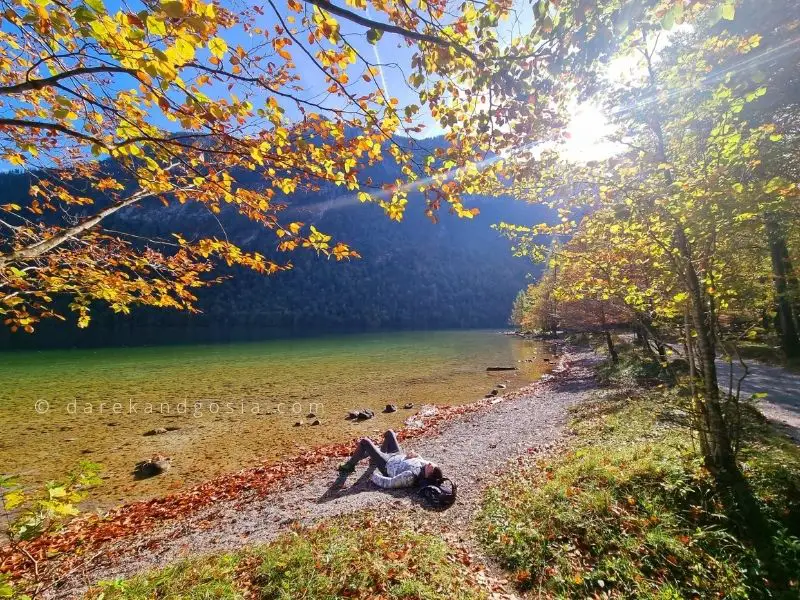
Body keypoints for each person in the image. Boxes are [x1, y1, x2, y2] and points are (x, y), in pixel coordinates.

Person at [338, 430, 444, 489]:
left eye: (432, 467)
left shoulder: (411, 476)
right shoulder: (424, 465)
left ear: (429, 474)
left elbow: (390, 483)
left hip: (387, 464)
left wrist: (373, 477)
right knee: (390, 433)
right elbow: (419, 458)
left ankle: (349, 466)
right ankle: (375, 457)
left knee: (365, 442)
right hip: (397, 455)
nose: (430, 463)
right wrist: (415, 455)